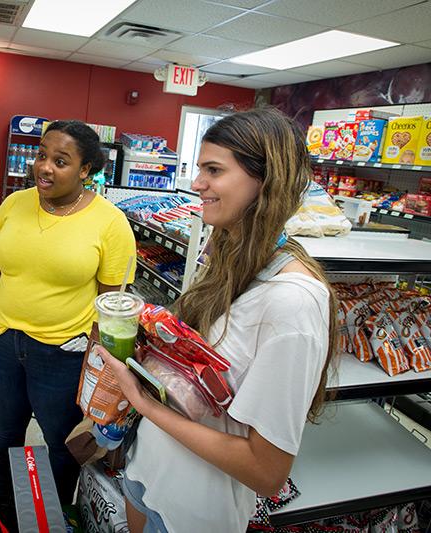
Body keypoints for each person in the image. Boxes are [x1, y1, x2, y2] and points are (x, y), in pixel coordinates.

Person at [98, 107, 338, 533]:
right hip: (146, 474)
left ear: (265, 182)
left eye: (213, 170)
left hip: (193, 512)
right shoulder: (227, 257)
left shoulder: (293, 304)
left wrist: (142, 402)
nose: (196, 184)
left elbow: (266, 471)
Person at [0, 120, 136, 503]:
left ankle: (50, 518)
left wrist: (101, 370)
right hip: (3, 344)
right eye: (41, 155)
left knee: (60, 443)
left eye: (61, 160)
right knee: (4, 432)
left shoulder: (109, 223)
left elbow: (112, 304)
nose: (44, 167)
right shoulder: (13, 204)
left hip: (64, 353)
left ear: (86, 170)